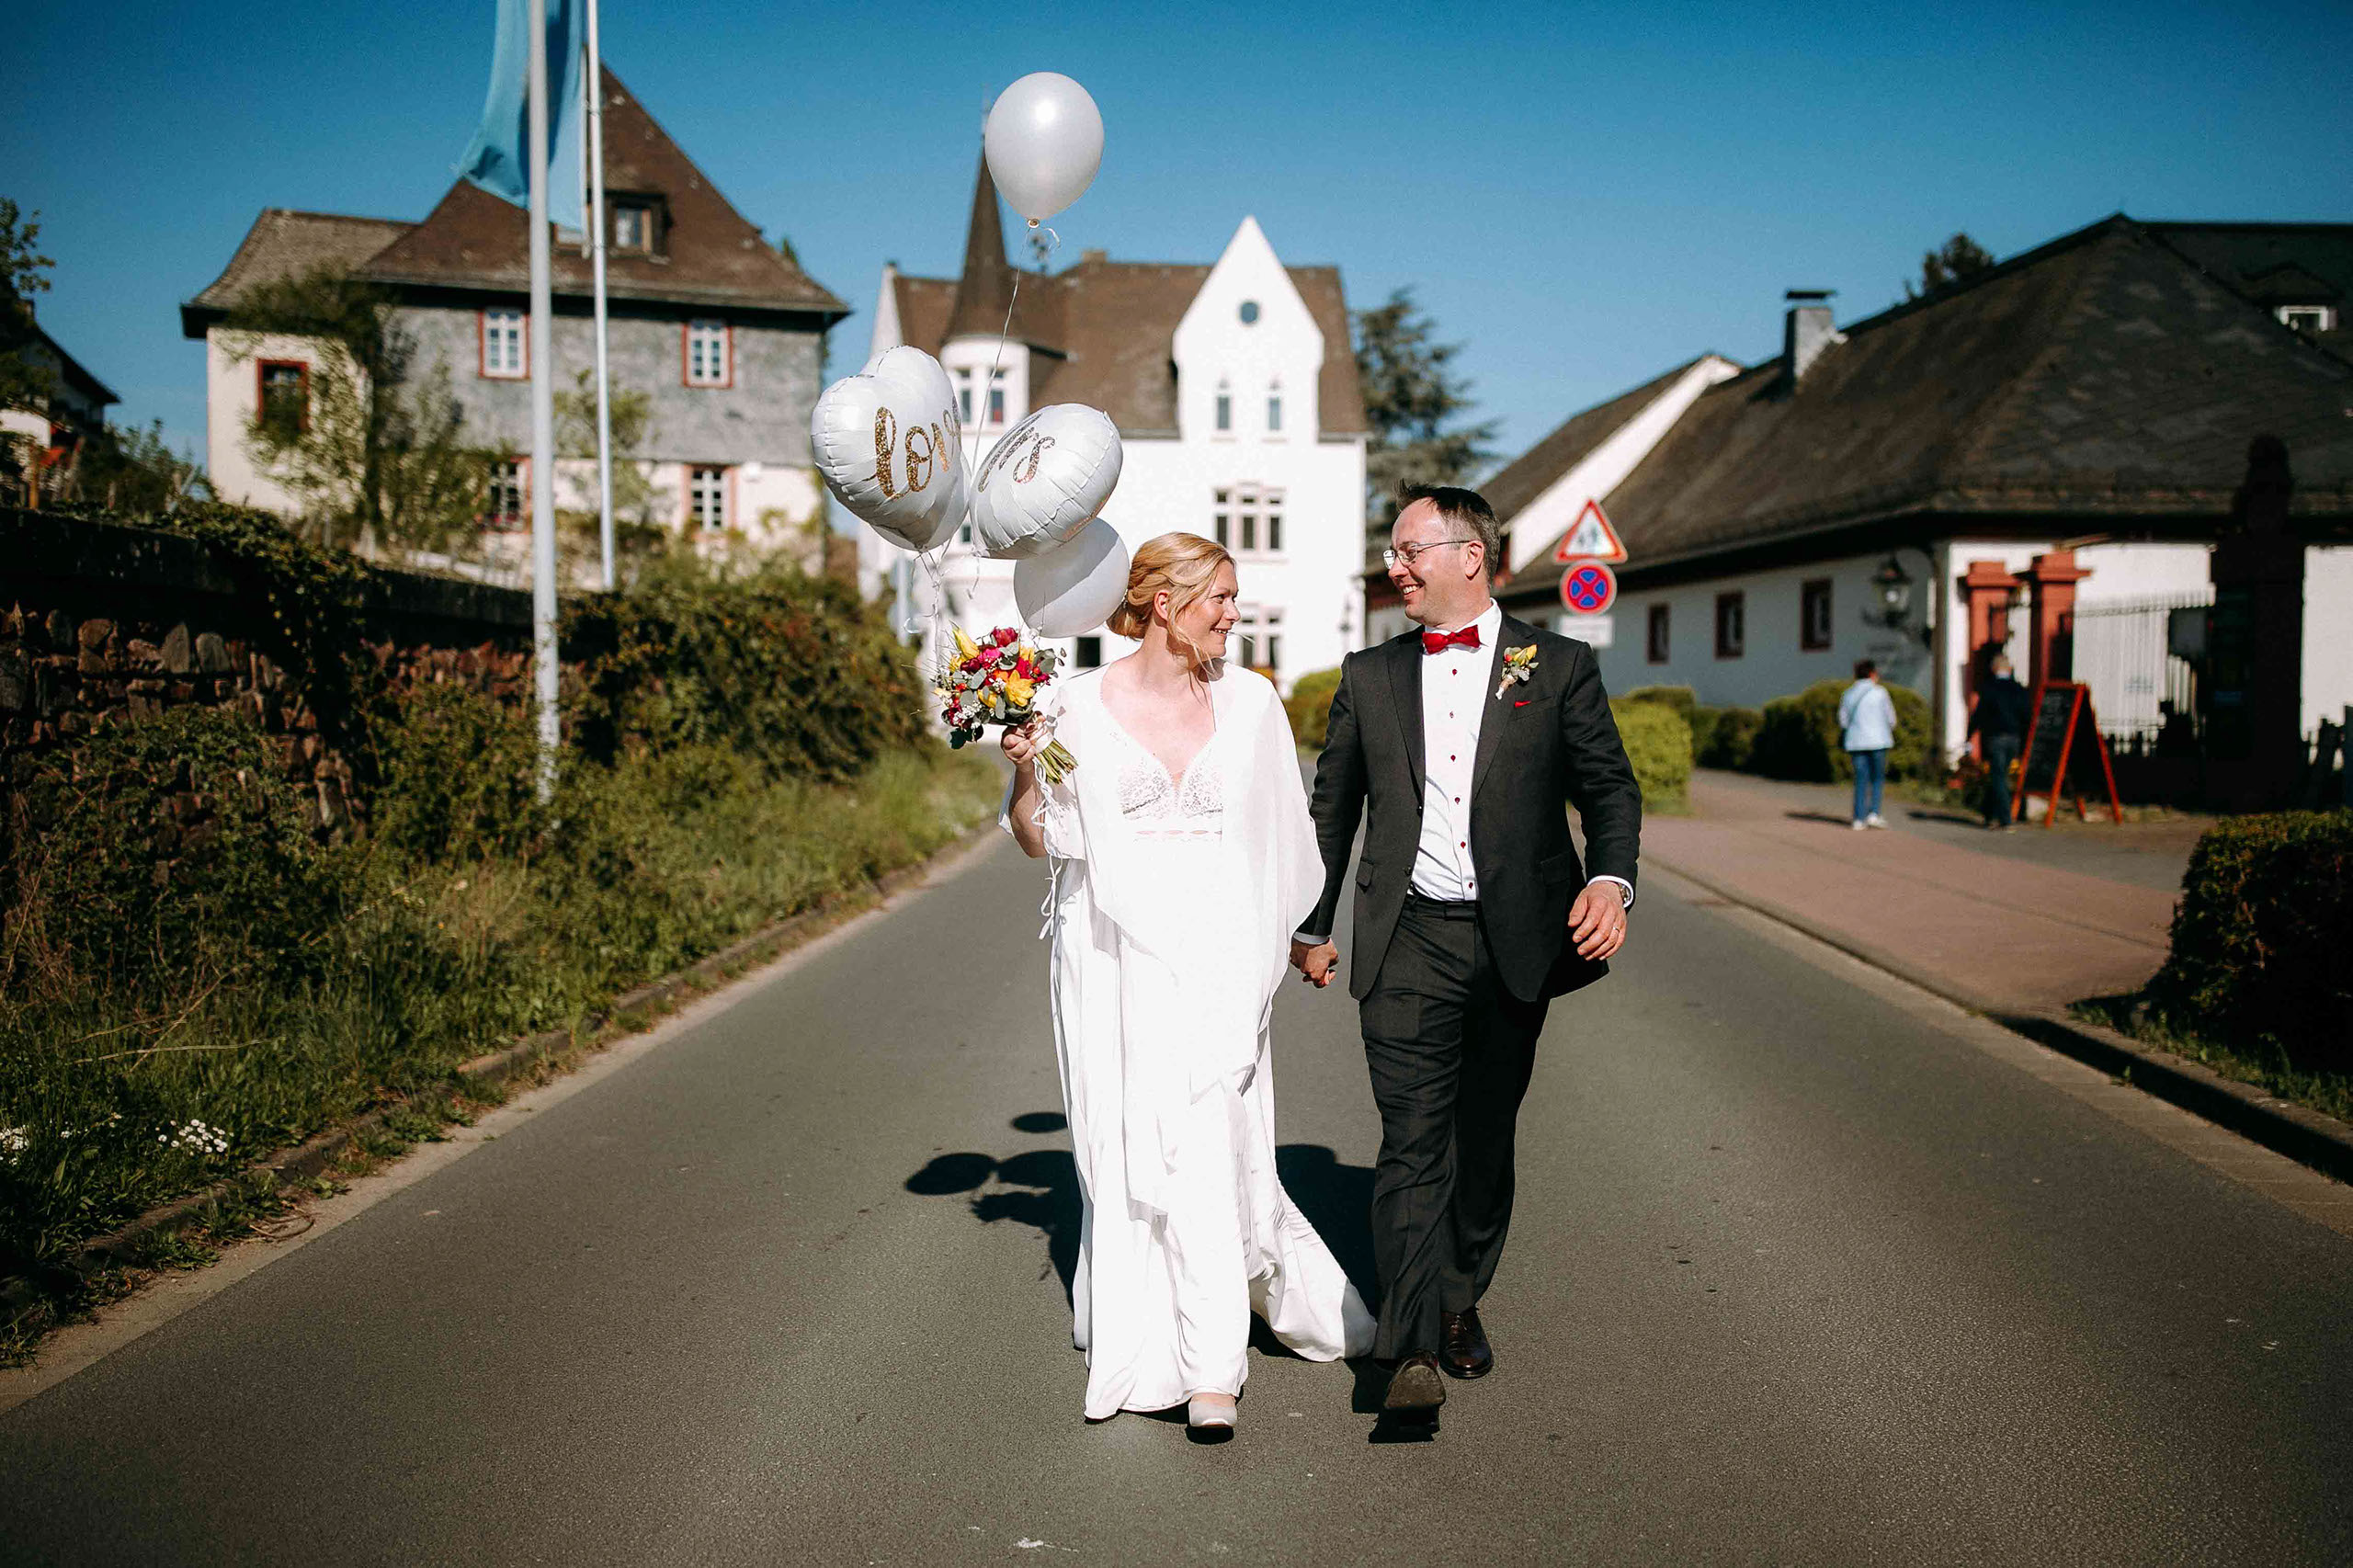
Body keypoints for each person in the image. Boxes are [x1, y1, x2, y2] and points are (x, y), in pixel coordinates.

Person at [1001, 531, 1372, 1440]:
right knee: (1128, 1145)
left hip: (1216, 954)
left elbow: (1285, 839)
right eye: (1220, 598)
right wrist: (1021, 766)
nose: (1232, 614)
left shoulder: (1252, 702)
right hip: (1112, 958)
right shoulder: (1075, 705)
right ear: (1164, 602)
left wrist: (1266, 954)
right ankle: (1152, 1338)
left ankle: (1212, 1368)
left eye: (1236, 598)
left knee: (1208, 1138)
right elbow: (1038, 837)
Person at [1288, 485, 1642, 1423]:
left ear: (1467, 555)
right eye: (1391, 551)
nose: (1392, 565)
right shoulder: (1366, 676)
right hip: (1404, 936)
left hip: (1514, 939)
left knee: (1481, 1141)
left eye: (1407, 549)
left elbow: (1608, 789)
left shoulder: (1554, 666)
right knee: (1410, 1140)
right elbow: (1334, 813)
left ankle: (1456, 1294)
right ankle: (1407, 1351)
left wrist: (1610, 880)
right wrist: (1312, 922)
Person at [1967, 653, 2030, 829]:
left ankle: (2004, 818)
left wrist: (1969, 736)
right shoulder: (2019, 689)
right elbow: (2027, 715)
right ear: (2009, 669)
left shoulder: (1989, 688)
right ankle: (1989, 813)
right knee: (1999, 775)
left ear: (1994, 669)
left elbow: (1979, 715)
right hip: (2014, 738)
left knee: (1998, 777)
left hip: (1996, 738)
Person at [1839, 659, 1897, 829]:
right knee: (1877, 778)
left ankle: (1858, 818)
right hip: (1878, 741)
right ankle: (1874, 813)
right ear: (1872, 674)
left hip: (1856, 742)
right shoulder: (1880, 692)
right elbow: (1891, 718)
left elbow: (1843, 721)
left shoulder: (1848, 694)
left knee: (1860, 779)